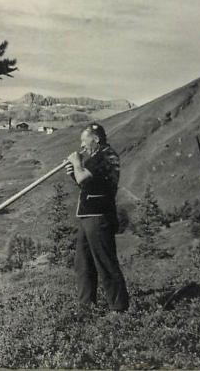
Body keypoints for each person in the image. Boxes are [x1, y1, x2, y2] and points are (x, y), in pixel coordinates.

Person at [64, 123, 129, 312]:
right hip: (88, 215)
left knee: (106, 263)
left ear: (96, 139)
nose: (82, 147)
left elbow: (83, 178)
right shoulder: (97, 157)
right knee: (83, 263)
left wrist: (77, 164)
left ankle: (119, 309)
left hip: (99, 216)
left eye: (85, 142)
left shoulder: (105, 155)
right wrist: (73, 174)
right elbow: (87, 185)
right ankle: (86, 307)